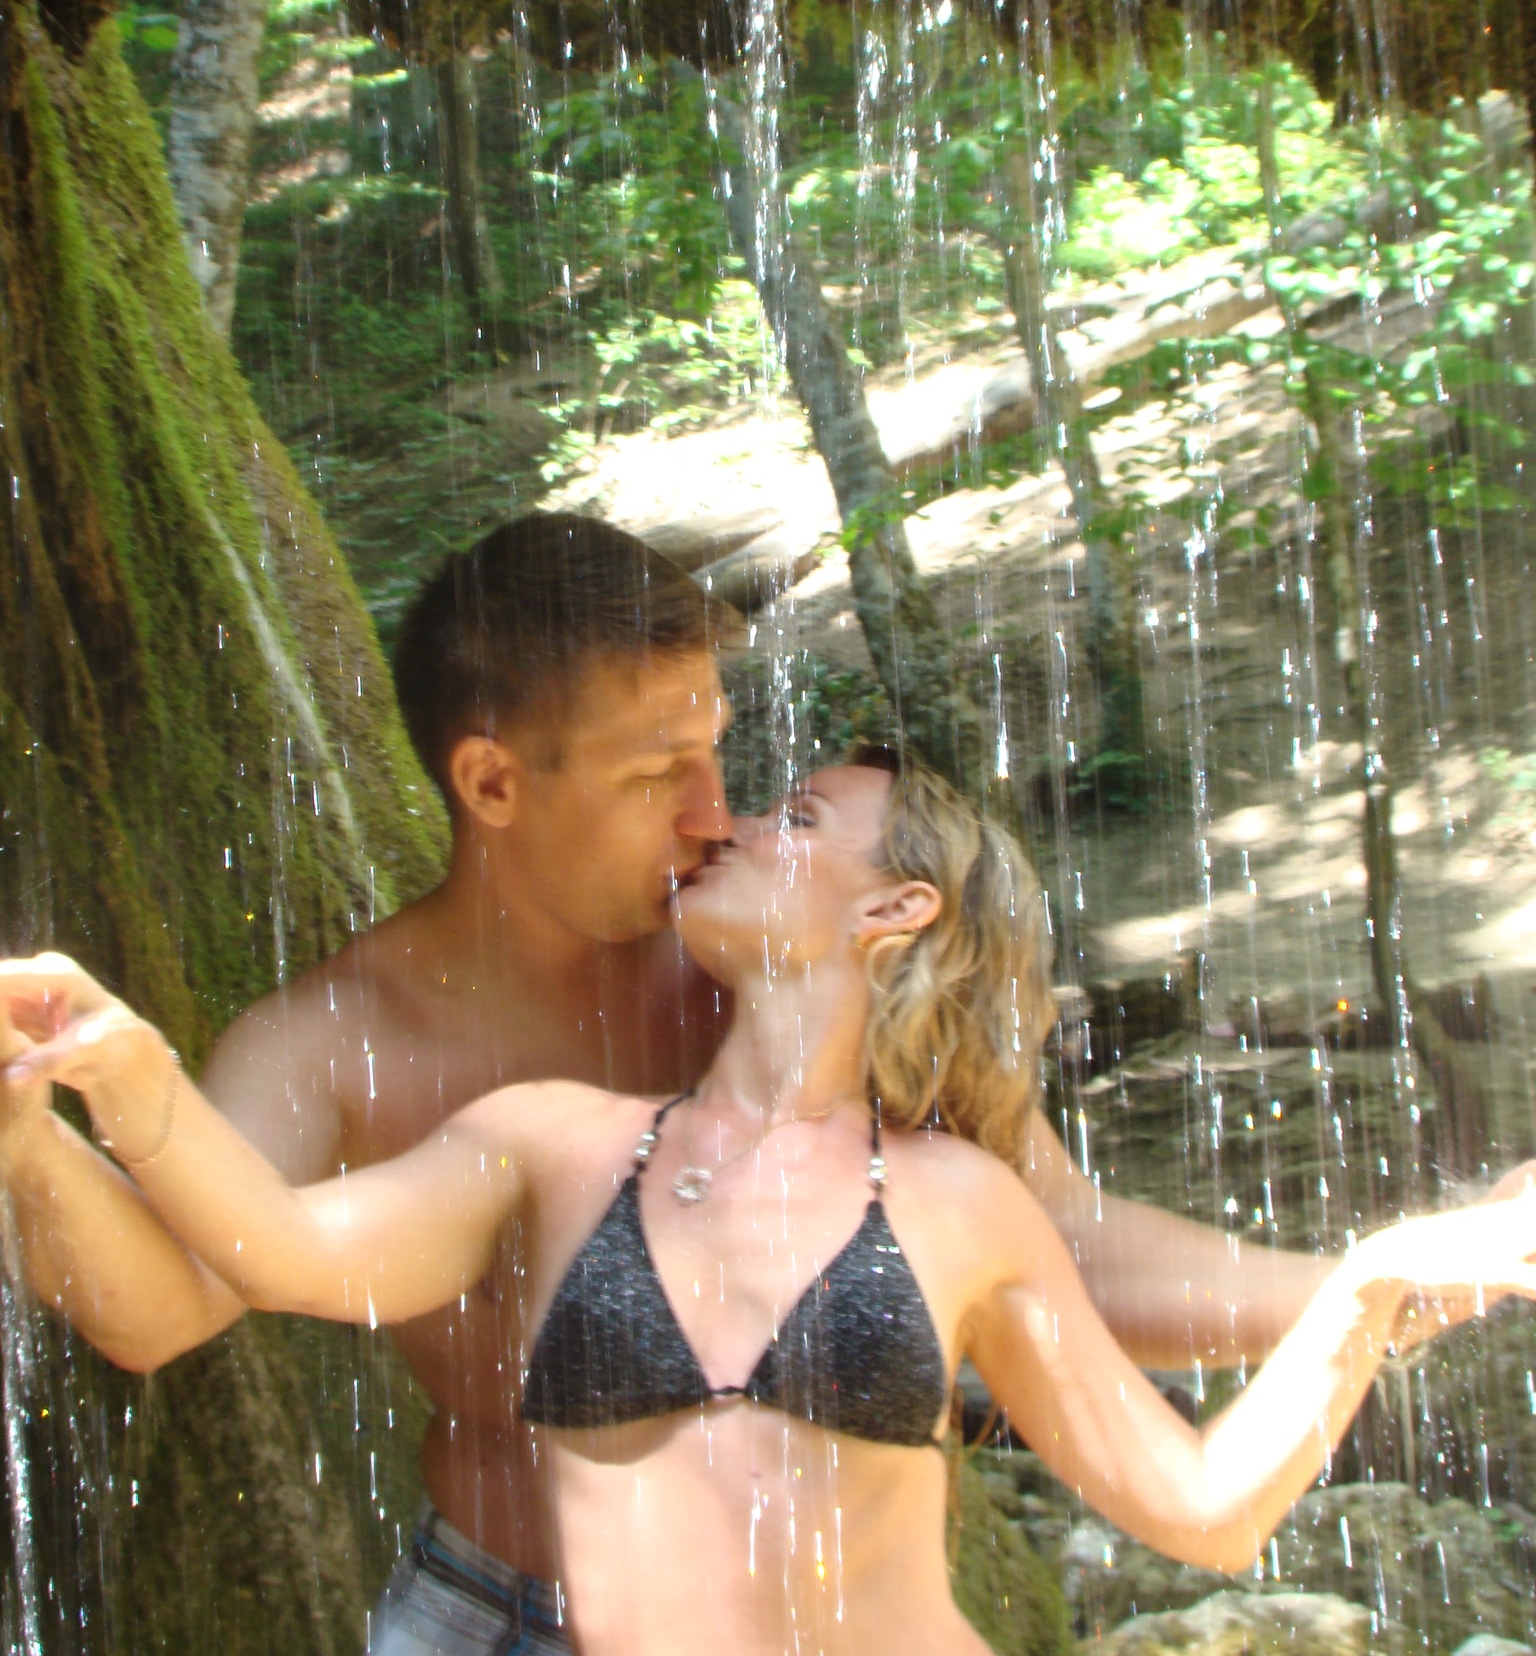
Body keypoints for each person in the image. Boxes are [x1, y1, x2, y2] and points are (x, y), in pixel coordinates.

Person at [0, 515, 1346, 1653]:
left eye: (716, 750)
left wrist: (1376, 1299)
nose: (716, 811)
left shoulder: (775, 971)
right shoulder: (333, 1043)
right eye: (659, 772)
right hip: (491, 1612)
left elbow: (1057, 1249)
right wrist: (26, 1127)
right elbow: (161, 1303)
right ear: (492, 783)